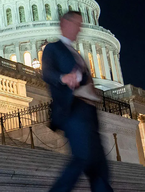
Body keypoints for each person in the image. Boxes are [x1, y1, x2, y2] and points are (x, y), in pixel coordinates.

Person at [42, 11, 113, 192]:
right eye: (76, 23)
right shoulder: (53, 48)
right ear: (64, 24)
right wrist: (63, 77)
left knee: (99, 167)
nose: (79, 28)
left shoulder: (76, 53)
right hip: (73, 110)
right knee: (82, 157)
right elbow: (47, 73)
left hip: (89, 113)